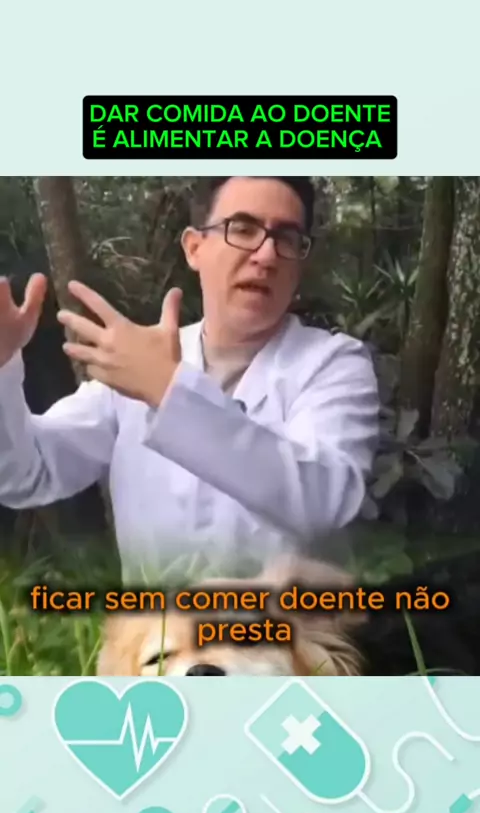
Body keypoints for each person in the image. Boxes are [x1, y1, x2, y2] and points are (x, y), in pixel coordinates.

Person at [0, 176, 379, 585]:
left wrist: (169, 391)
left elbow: (325, 501)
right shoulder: (138, 359)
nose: (267, 254)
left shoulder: (333, 364)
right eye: (243, 229)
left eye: (286, 238)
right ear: (194, 248)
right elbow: (27, 473)